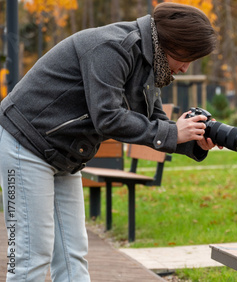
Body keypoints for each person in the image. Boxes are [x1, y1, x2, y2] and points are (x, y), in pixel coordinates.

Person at [0, 3, 218, 281]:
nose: (186, 67)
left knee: (72, 254)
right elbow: (108, 117)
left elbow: (157, 121)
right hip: (25, 143)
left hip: (62, 156)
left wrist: (196, 142)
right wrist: (174, 132)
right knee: (32, 256)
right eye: (186, 56)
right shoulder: (112, 47)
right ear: (169, 41)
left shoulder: (147, 62)